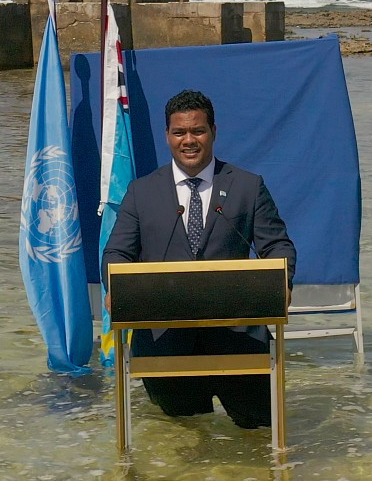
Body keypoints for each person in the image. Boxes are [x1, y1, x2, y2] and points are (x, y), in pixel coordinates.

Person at [102, 89, 296, 429]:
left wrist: (281, 283)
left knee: (259, 436)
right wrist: (116, 286)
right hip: (165, 343)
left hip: (239, 340)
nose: (189, 141)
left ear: (213, 132)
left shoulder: (247, 187)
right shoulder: (141, 192)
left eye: (198, 131)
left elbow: (278, 247)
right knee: (185, 439)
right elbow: (117, 252)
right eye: (179, 132)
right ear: (167, 135)